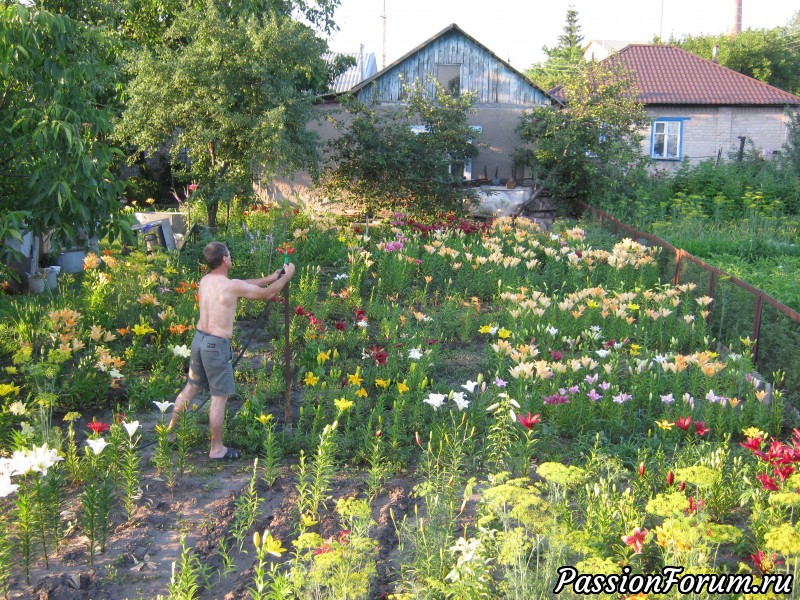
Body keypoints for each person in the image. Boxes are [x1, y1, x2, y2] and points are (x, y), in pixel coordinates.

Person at [168, 241, 295, 459]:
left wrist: (270, 277)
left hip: (199, 340)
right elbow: (267, 294)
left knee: (191, 388)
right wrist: (287, 276)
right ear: (225, 259)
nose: (230, 256)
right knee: (219, 397)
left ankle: (169, 434)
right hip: (215, 346)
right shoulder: (230, 285)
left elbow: (240, 284)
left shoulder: (206, 280)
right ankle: (216, 448)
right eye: (229, 253)